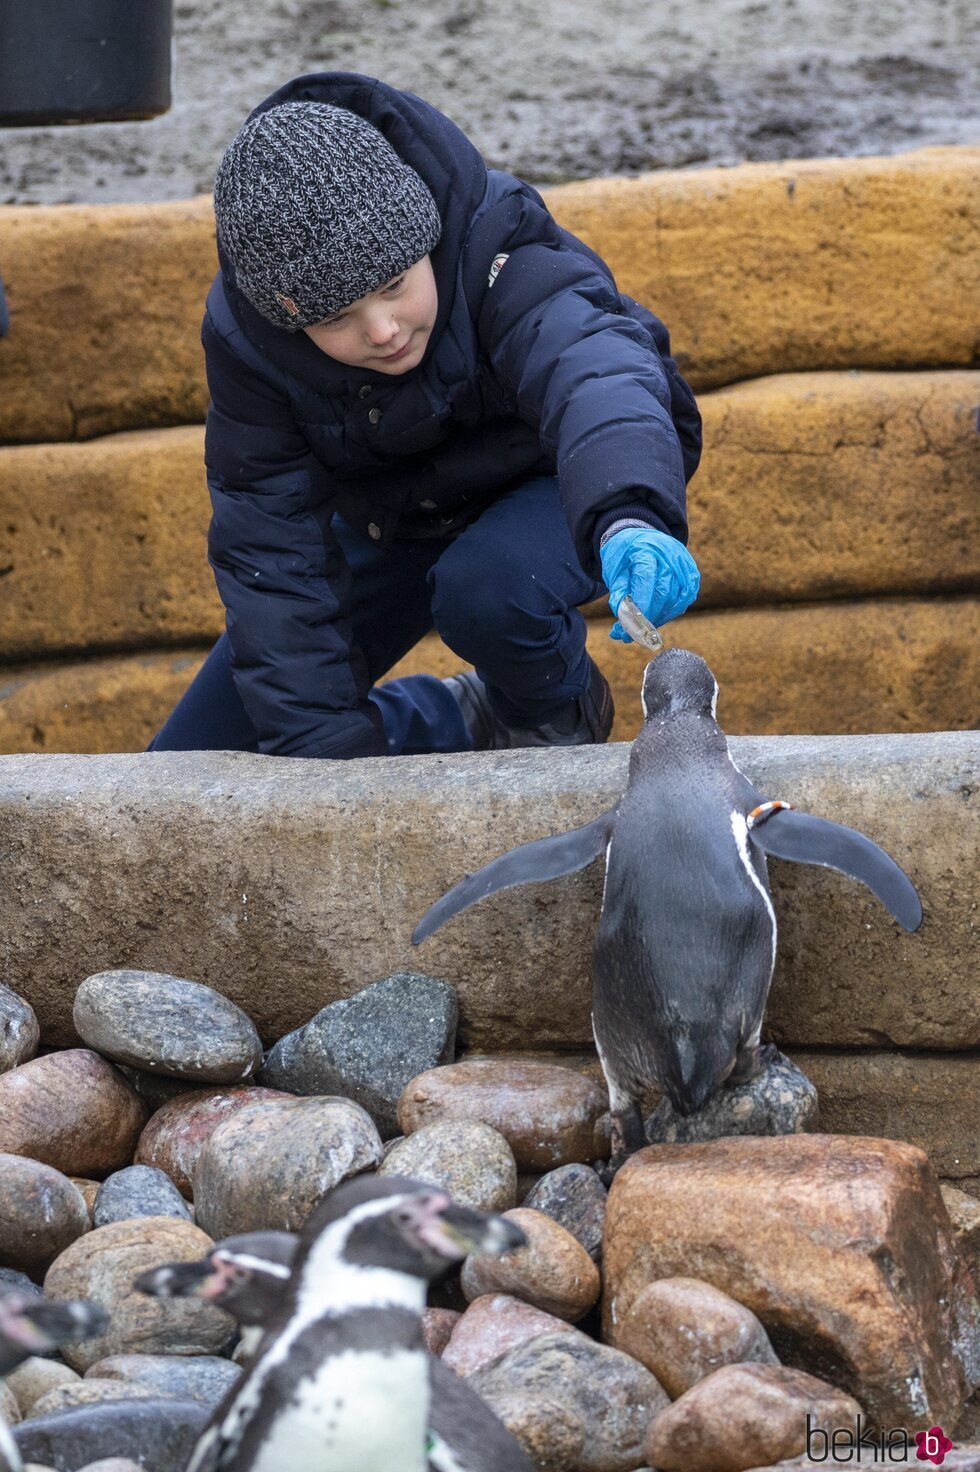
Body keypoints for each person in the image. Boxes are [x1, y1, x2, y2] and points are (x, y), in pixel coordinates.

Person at [149, 72, 702, 761]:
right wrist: (329, 773)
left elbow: (593, 368)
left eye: (393, 287)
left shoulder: (500, 245)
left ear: (426, 239)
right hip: (396, 513)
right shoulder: (249, 345)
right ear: (287, 320)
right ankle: (460, 719)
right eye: (338, 318)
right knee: (205, 755)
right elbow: (268, 541)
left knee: (491, 589)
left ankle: (553, 712)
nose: (382, 330)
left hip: (565, 479)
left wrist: (627, 511)